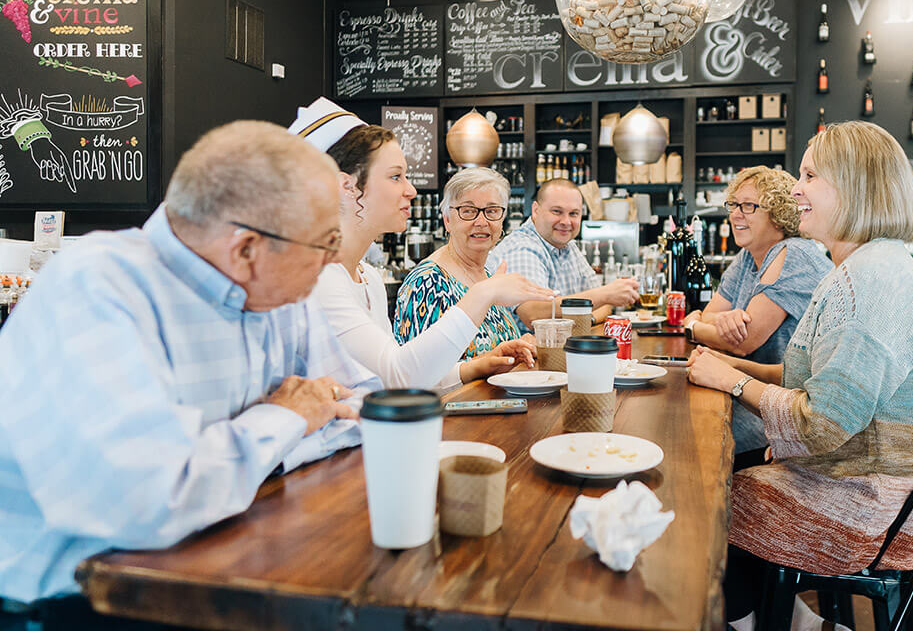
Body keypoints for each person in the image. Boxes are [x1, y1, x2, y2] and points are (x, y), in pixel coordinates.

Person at [0, 122, 380, 611]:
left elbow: (363, 407)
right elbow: (149, 501)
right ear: (246, 249)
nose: (332, 261)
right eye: (326, 243)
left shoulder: (283, 290)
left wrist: (234, 460)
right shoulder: (99, 287)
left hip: (228, 553)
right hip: (74, 598)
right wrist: (286, 419)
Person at [687, 121, 913, 631]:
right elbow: (816, 377)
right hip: (878, 477)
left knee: (707, 507)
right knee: (725, 485)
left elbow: (822, 422)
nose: (796, 190)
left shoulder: (865, 281)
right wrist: (739, 366)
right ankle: (791, 619)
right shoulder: (864, 265)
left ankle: (766, 622)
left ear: (853, 186)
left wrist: (733, 384)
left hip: (875, 501)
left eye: (809, 176)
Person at [288, 98, 552, 392]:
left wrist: (473, 366)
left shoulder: (368, 278)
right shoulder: (318, 280)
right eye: (395, 176)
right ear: (348, 187)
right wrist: (485, 292)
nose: (411, 190)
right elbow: (399, 376)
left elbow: (398, 375)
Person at [681, 166, 831, 463]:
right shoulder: (749, 255)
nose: (736, 214)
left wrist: (693, 325)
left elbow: (742, 342)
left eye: (748, 206)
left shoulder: (794, 252)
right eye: (733, 205)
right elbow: (716, 318)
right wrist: (712, 322)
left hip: (778, 413)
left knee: (685, 439)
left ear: (778, 213)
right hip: (747, 392)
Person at [394, 168, 529, 355]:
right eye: (468, 211)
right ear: (448, 220)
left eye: (492, 211)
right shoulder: (427, 282)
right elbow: (419, 371)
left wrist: (522, 344)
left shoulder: (487, 275)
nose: (482, 221)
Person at [486, 178, 639, 330]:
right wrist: (604, 294)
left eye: (573, 213)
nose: (566, 221)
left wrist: (591, 315)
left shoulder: (568, 246)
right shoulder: (523, 247)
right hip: (523, 352)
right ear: (536, 210)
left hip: (558, 349)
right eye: (557, 211)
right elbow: (534, 315)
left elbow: (604, 306)